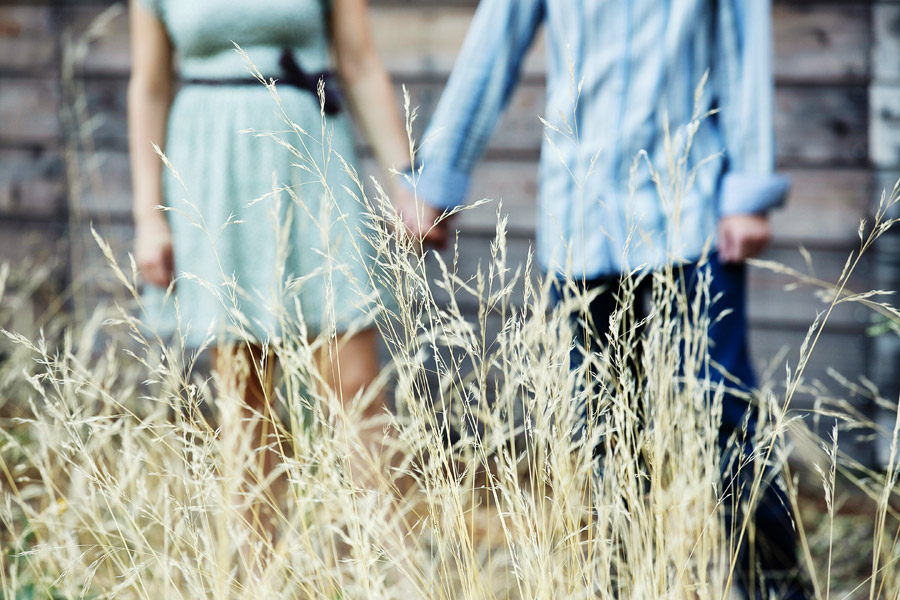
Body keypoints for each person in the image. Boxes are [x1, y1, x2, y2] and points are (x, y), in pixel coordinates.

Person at [402, 1, 809, 598]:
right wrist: (437, 178)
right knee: (597, 430)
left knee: (723, 411)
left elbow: (744, 43)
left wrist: (748, 186)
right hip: (579, 210)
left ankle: (778, 591)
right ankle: (622, 585)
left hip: (689, 204)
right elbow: (493, 45)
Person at [128, 0, 414, 559]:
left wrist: (405, 180)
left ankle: (394, 570)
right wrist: (147, 216)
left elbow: (359, 61)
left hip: (309, 154)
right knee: (245, 394)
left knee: (355, 384)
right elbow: (150, 86)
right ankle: (255, 575)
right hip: (212, 165)